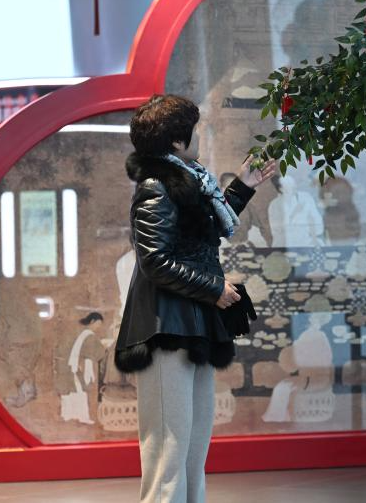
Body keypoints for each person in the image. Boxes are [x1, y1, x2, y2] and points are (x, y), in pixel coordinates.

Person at [115, 94, 276, 503]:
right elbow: (154, 261)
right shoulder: (156, 187)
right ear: (176, 141)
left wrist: (242, 188)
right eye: (195, 130)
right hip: (166, 328)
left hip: (190, 322)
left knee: (191, 449)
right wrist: (213, 288)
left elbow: (201, 230)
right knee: (167, 451)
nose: (200, 136)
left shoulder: (189, 182)